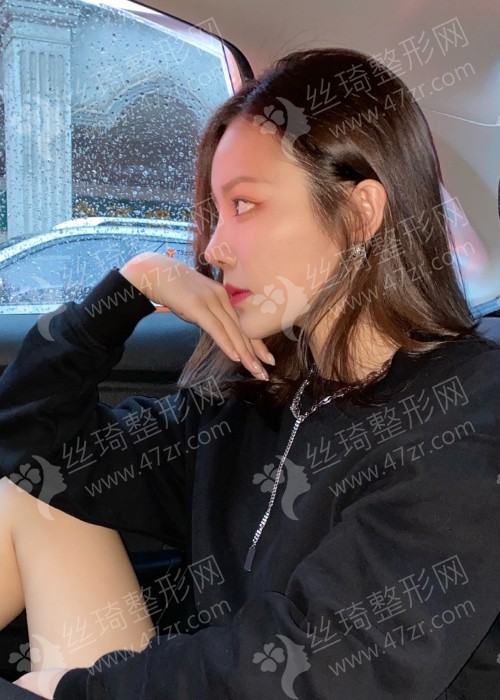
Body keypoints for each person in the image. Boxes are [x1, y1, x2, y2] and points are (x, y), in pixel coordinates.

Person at [0, 47, 499, 700]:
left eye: (245, 204)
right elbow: (36, 453)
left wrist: (81, 690)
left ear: (360, 213)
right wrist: (125, 292)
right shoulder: (257, 400)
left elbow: (327, 666)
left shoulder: (468, 414)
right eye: (216, 210)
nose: (213, 248)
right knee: (27, 498)